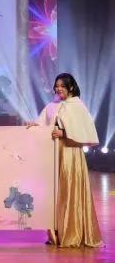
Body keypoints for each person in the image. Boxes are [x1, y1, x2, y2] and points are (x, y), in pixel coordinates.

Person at [33, 73, 103, 248]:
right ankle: (56, 234)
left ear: (70, 87)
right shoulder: (52, 106)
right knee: (55, 193)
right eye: (56, 86)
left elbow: (85, 130)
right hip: (54, 154)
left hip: (70, 153)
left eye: (62, 86)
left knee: (70, 190)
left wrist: (64, 133)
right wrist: (33, 126)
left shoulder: (77, 106)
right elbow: (41, 123)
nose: (58, 89)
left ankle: (73, 233)